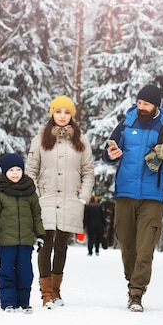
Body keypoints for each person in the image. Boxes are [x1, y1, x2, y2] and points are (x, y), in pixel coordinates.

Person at [102, 84, 163, 312]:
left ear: (156, 105)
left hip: (153, 196)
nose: (141, 107)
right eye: (139, 102)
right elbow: (107, 155)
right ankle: (131, 280)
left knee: (145, 247)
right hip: (125, 192)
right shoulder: (126, 124)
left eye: (146, 104)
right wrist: (109, 155)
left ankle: (136, 293)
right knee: (126, 244)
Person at [26, 95, 95, 309]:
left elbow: (88, 172)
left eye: (67, 112)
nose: (62, 116)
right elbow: (31, 171)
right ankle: (45, 293)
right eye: (58, 111)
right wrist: (36, 196)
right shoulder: (39, 139)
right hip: (45, 199)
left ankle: (56, 291)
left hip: (70, 200)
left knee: (62, 246)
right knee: (45, 246)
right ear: (52, 113)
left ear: (71, 115)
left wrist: (82, 197)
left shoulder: (81, 140)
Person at [0, 153, 46, 313]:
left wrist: (40, 235)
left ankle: (23, 302)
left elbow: (36, 215)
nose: (15, 173)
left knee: (25, 272)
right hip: (5, 242)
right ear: (5, 172)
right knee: (6, 271)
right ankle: (8, 302)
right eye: (11, 170)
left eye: (18, 169)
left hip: (25, 242)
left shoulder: (30, 191)